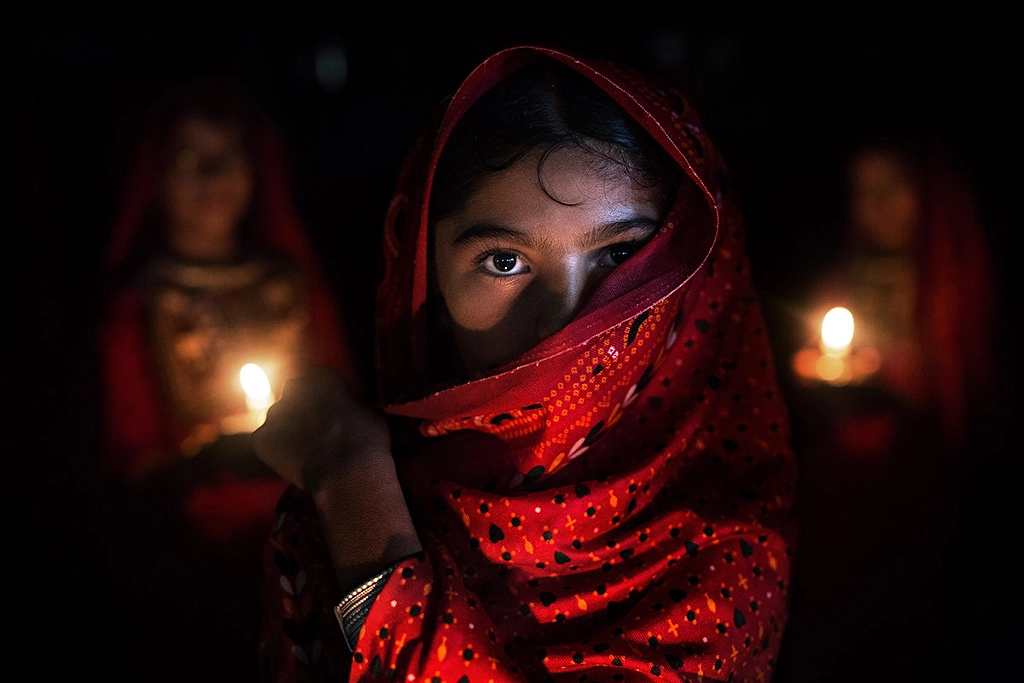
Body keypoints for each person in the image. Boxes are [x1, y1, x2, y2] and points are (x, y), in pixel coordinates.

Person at [253, 45, 799, 682]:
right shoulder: (355, 483)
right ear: (423, 279)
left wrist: (355, 496)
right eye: (504, 261)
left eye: (620, 258)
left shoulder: (727, 541)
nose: (562, 321)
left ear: (693, 272)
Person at [91, 68, 361, 680]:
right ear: (155, 175)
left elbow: (344, 408)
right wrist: (221, 458)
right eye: (191, 159)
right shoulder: (138, 306)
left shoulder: (290, 285)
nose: (213, 178)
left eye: (228, 157)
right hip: (196, 550)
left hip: (309, 526)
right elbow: (131, 462)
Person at [774, 131, 1007, 681]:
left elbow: (962, 388)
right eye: (861, 189)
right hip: (840, 484)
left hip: (920, 486)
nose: (872, 206)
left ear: (930, 191)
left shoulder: (954, 280)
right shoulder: (847, 271)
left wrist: (889, 383)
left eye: (892, 186)